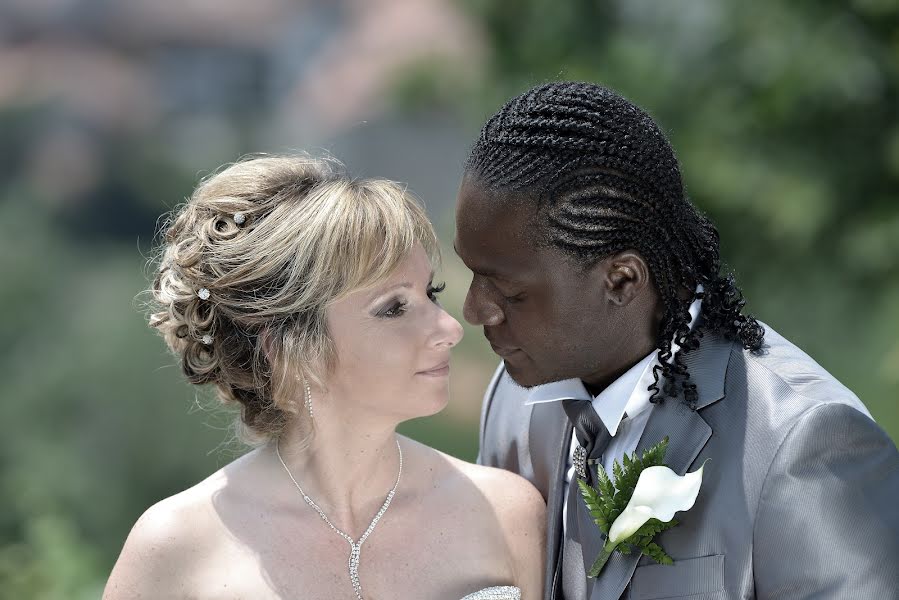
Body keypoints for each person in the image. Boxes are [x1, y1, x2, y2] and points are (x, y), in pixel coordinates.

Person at [454, 81, 899, 600]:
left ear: (621, 280)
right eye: (472, 274)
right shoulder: (515, 398)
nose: (473, 310)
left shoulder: (803, 441)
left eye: (510, 291)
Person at [103, 155, 545, 600]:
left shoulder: (508, 514)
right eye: (394, 308)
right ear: (288, 349)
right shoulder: (174, 549)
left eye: (432, 293)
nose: (450, 329)